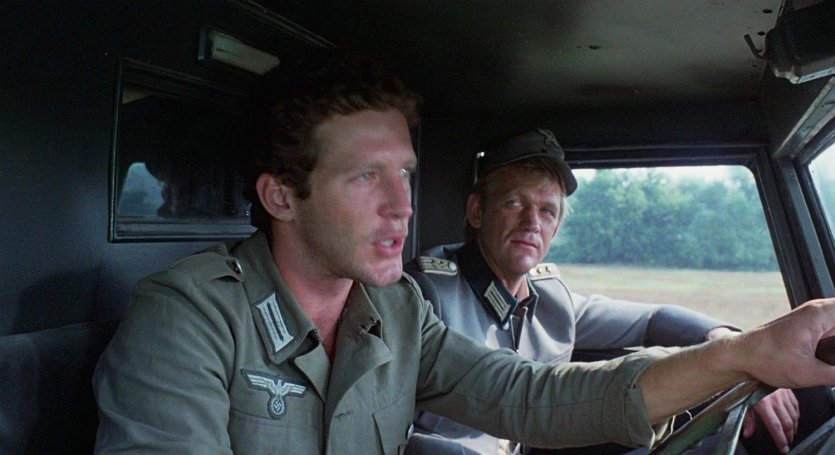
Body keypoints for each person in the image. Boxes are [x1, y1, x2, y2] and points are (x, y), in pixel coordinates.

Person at [92, 50, 835, 455]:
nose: (402, 205)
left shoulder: (395, 311)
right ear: (282, 196)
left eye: (406, 175)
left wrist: (748, 353)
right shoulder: (189, 317)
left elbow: (531, 397)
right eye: (365, 177)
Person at [402, 128, 800, 455]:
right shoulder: (428, 295)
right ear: (477, 212)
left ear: (556, 228)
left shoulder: (551, 299)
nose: (532, 223)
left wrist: (734, 344)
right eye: (514, 204)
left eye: (547, 211)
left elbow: (652, 318)